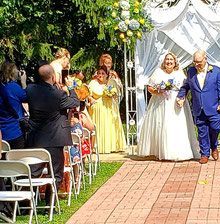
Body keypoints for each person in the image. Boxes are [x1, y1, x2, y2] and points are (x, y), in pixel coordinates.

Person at [26, 64, 80, 204]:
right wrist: (71, 88)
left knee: (34, 172)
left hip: (36, 138)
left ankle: (27, 202)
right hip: (55, 139)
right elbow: (74, 102)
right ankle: (50, 203)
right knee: (55, 173)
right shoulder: (58, 94)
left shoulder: (31, 90)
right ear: (53, 77)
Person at [137, 52, 199, 161]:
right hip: (160, 103)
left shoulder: (179, 73)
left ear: (175, 62)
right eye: (167, 60)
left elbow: (185, 88)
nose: (169, 62)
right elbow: (150, 88)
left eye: (171, 60)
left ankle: (178, 151)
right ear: (164, 62)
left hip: (176, 102)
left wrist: (182, 98)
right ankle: (161, 152)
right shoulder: (158, 72)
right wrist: (158, 91)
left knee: (176, 126)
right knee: (161, 125)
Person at [177, 50, 220, 164]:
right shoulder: (191, 72)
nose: (196, 64)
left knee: (215, 128)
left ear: (205, 59)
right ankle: (204, 154)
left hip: (214, 107)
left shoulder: (216, 71)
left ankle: (214, 146)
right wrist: (181, 96)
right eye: (194, 62)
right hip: (198, 107)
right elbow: (186, 86)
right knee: (202, 131)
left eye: (199, 62)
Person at [88, 66, 126, 153]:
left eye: (102, 73)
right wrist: (91, 99)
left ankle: (111, 146)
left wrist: (111, 94)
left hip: (108, 107)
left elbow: (117, 95)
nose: (100, 75)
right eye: (99, 73)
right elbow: (87, 94)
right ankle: (97, 146)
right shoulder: (93, 83)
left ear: (106, 75)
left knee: (109, 126)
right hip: (97, 108)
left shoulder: (110, 83)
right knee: (100, 126)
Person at [0, 62, 27, 149]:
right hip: (14, 131)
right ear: (13, 73)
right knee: (17, 159)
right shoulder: (13, 87)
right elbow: (26, 97)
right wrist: (23, 82)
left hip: (2, 134)